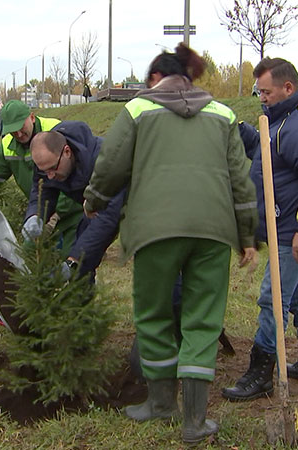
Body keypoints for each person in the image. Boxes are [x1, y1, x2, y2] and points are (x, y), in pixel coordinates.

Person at [82, 43, 258, 444]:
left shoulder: (139, 110)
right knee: (203, 320)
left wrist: (94, 200)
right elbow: (241, 181)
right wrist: (247, 234)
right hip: (213, 232)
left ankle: (161, 403)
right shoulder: (223, 113)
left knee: (154, 314)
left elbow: (111, 163)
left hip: (155, 230)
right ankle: (194, 422)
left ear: (158, 79)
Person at [221, 57, 298, 402]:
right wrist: (239, 131)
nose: (262, 98)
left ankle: (260, 371)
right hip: (283, 225)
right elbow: (268, 150)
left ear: (288, 87)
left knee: (273, 298)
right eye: (259, 92)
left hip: (294, 229)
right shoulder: (280, 117)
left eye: (266, 92)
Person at [0, 100, 83, 255]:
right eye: (13, 131)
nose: (19, 134)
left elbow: (75, 177)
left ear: (32, 117)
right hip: (41, 213)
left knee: (75, 264)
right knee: (33, 261)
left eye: (21, 128)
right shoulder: (7, 146)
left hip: (72, 210)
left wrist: (54, 216)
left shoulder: (55, 132)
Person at [25, 121, 124, 282]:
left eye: (52, 169)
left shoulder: (104, 161)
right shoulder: (48, 161)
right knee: (81, 249)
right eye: (44, 171)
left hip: (141, 205)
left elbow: (107, 218)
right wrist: (34, 216)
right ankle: (80, 302)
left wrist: (75, 261)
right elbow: (42, 189)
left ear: (67, 151)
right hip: (94, 208)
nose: (49, 176)